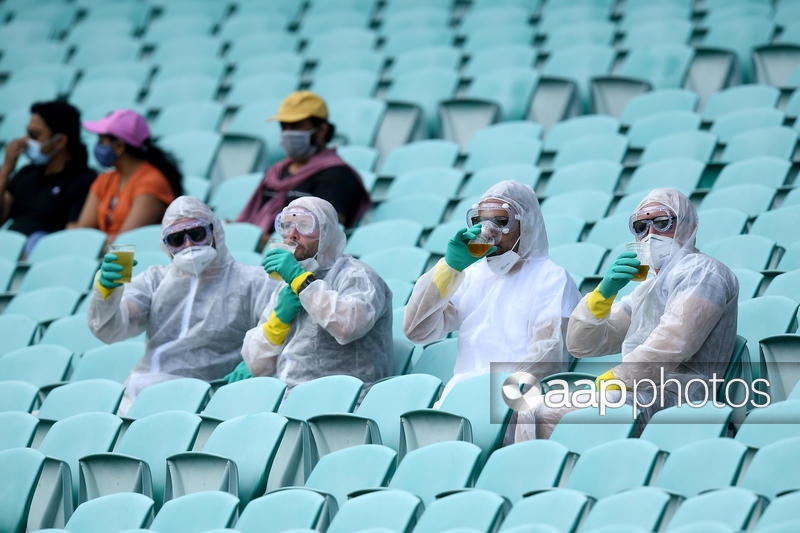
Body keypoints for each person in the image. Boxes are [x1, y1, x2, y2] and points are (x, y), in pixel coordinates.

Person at [528, 188, 739, 440]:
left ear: (687, 226)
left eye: (662, 223)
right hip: (639, 392)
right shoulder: (647, 289)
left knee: (555, 411)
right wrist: (603, 295)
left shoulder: (703, 272)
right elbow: (582, 345)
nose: (650, 234)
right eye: (641, 226)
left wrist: (618, 377)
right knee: (529, 409)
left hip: (679, 398)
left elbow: (672, 343)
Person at [87, 195, 273, 415]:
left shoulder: (253, 281)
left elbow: (276, 326)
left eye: (196, 234)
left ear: (214, 232)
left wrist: (257, 360)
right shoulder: (154, 281)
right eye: (176, 239)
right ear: (166, 246)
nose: (188, 245)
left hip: (212, 399)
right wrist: (106, 293)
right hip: (145, 395)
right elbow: (110, 330)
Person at [403, 180, 582, 404]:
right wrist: (449, 267)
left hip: (515, 403)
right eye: (480, 221)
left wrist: (493, 397)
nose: (490, 232)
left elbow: (547, 357)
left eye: (501, 221)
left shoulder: (551, 278)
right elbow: (417, 330)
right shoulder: (470, 276)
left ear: (526, 224)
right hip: (461, 398)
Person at [227, 196, 393, 394]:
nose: (293, 234)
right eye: (286, 225)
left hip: (347, 401)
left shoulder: (357, 276)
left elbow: (348, 326)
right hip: (288, 399)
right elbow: (257, 364)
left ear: (326, 232)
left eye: (305, 225)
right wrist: (277, 323)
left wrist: (303, 283)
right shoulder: (285, 285)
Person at [235, 90, 371, 251]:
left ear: (322, 130)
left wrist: (271, 242)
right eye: (284, 126)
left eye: (296, 126)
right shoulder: (275, 172)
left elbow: (326, 233)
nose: (288, 133)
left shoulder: (338, 175)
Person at [75, 108, 183, 250]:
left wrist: (96, 244)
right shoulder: (104, 180)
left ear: (119, 146)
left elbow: (124, 244)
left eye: (102, 141)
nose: (97, 146)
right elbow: (81, 235)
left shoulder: (151, 183)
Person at [0, 100, 97, 256]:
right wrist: (5, 171)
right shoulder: (25, 173)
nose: (24, 141)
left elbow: (73, 236)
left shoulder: (84, 180)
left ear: (59, 141)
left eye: (34, 135)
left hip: (41, 259)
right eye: (27, 133)